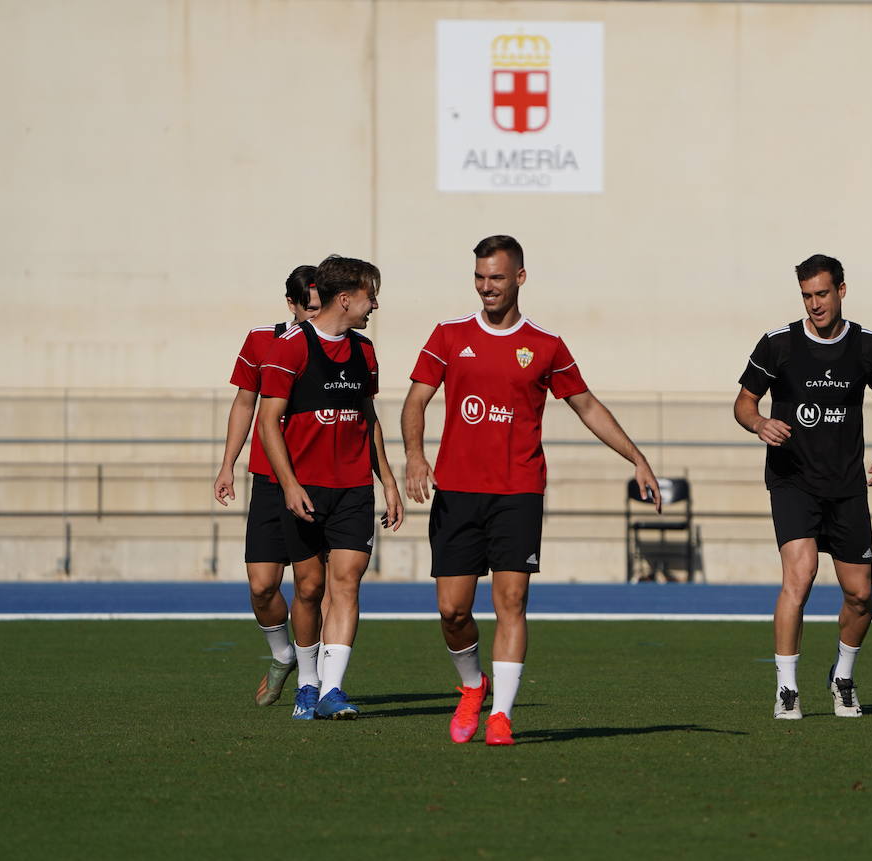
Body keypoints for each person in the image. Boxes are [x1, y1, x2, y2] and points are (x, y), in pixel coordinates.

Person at [401, 235, 661, 746]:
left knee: (511, 600)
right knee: (453, 611)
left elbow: (586, 406)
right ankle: (473, 687)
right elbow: (415, 402)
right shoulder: (448, 335)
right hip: (456, 491)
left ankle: (501, 716)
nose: (486, 287)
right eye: (479, 277)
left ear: (519, 277)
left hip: (518, 490)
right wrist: (414, 454)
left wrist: (637, 457)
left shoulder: (546, 345)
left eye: (496, 278)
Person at [734, 254, 872, 720]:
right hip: (792, 479)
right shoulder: (778, 345)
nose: (815, 304)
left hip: (847, 484)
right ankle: (787, 688)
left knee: (860, 595)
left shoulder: (868, 346)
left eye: (822, 294)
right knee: (801, 574)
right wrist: (759, 424)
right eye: (807, 296)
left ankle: (842, 677)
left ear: (842, 291)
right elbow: (744, 403)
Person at [258, 255, 403, 721]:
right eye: (369, 296)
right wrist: (289, 484)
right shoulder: (290, 347)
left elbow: (369, 419)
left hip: (354, 489)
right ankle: (306, 682)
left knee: (347, 584)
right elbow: (267, 423)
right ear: (346, 298)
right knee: (308, 587)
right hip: (305, 490)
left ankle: (332, 690)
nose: (374, 305)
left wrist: (390, 481)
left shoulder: (365, 352)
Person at [213, 265, 325, 707]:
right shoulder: (263, 341)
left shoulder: (338, 346)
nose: (316, 317)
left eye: (322, 308)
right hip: (269, 481)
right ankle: (283, 654)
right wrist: (227, 465)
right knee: (261, 586)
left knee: (313, 588)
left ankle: (316, 679)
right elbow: (245, 404)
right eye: (309, 309)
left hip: (318, 482)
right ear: (292, 305)